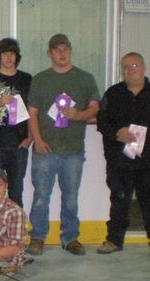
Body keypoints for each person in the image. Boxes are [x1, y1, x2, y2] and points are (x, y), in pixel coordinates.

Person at [25, 34, 100, 256]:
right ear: (49, 53)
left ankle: (70, 238)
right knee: (41, 196)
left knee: (71, 197)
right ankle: (37, 237)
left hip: (73, 150)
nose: (62, 53)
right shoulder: (40, 80)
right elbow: (32, 114)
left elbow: (95, 107)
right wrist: (37, 140)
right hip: (45, 149)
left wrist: (79, 114)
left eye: (65, 48)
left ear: (71, 50)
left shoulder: (85, 78)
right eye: (57, 49)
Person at [96, 52, 150, 260]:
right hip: (120, 161)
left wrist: (145, 136)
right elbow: (102, 122)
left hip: (149, 161)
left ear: (143, 67)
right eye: (126, 67)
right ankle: (113, 240)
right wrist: (117, 133)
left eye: (134, 65)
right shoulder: (113, 94)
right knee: (119, 200)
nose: (130, 70)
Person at [0, 38, 32, 207]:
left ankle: (15, 231)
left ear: (17, 57)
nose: (9, 58)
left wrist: (30, 137)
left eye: (12, 54)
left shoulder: (27, 80)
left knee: (16, 190)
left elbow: (33, 112)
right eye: (5, 54)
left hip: (19, 143)